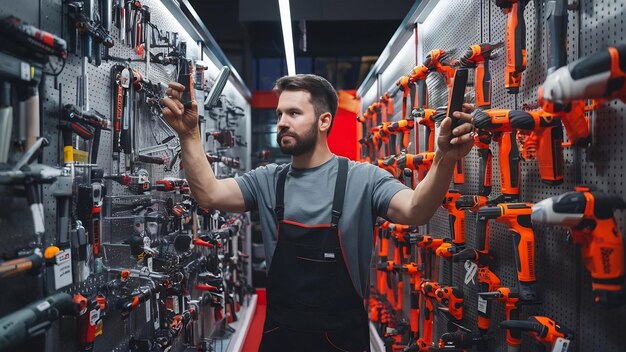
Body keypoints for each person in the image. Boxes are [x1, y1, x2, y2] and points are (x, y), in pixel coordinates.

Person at [161, 74, 475, 351]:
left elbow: (415, 209)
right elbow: (208, 193)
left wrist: (443, 159)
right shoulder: (267, 179)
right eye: (280, 113)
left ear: (324, 121)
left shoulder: (362, 178)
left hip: (342, 337)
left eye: (294, 113)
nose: (282, 121)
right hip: (280, 333)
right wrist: (189, 135)